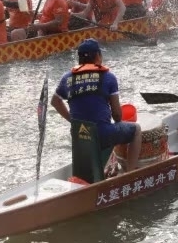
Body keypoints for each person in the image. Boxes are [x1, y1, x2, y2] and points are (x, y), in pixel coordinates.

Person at [52, 39, 142, 172]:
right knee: (136, 130)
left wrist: (72, 120)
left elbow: (55, 102)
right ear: (98, 56)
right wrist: (117, 123)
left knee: (100, 130)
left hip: (79, 136)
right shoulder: (108, 77)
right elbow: (117, 115)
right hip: (102, 134)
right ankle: (130, 173)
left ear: (79, 59)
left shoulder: (67, 78)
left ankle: (97, 169)